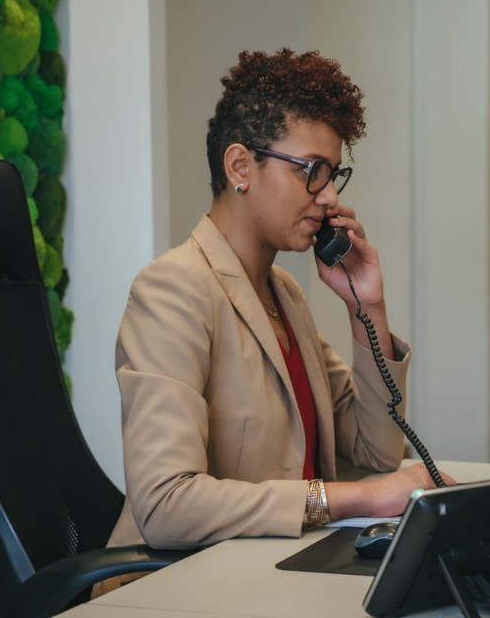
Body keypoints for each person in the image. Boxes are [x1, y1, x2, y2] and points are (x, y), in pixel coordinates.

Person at [102, 48, 446, 564]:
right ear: (240, 166)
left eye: (333, 175)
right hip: (182, 582)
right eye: (312, 170)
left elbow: (377, 449)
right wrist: (359, 498)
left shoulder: (283, 293)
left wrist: (366, 305)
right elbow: (165, 504)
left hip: (269, 567)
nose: (328, 197)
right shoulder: (174, 289)